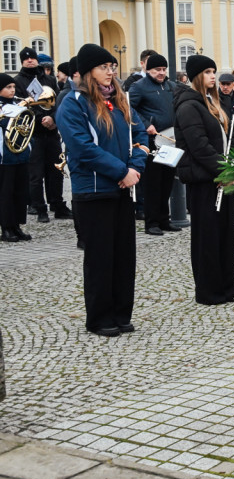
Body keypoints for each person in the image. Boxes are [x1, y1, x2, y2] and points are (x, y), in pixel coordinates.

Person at [55, 43, 147, 337]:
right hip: (93, 191)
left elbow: (140, 134)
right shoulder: (73, 104)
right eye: (103, 67)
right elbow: (83, 149)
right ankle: (99, 317)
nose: (110, 72)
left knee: (123, 256)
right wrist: (122, 171)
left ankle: (121, 313)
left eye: (112, 67)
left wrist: (135, 167)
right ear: (87, 72)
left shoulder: (120, 100)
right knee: (100, 258)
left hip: (122, 188)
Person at [174, 55, 234, 305]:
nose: (213, 76)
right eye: (208, 72)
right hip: (204, 181)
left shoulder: (211, 102)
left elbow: (219, 141)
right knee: (208, 238)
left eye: (214, 71)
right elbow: (199, 146)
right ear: (197, 76)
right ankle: (209, 290)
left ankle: (225, 287)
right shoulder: (189, 105)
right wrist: (223, 171)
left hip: (219, 176)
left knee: (224, 235)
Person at [128, 52, 179, 236]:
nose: (162, 73)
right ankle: (151, 222)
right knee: (153, 184)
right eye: (158, 69)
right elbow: (128, 108)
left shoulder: (170, 86)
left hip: (169, 140)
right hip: (151, 142)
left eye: (164, 69)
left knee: (167, 182)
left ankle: (164, 219)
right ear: (148, 69)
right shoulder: (139, 87)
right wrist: (145, 123)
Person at [16, 47, 67, 222]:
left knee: (56, 171)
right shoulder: (18, 82)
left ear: (37, 60)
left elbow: (59, 102)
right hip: (34, 134)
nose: (30, 61)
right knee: (36, 175)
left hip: (52, 133)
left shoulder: (49, 79)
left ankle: (58, 204)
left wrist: (53, 118)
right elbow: (22, 106)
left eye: (32, 58)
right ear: (22, 61)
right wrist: (41, 119)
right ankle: (40, 209)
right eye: (26, 59)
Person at [0, 74, 32, 242]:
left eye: (13, 87)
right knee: (6, 193)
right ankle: (6, 227)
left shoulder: (16, 105)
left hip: (21, 154)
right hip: (4, 158)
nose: (12, 90)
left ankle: (17, 225)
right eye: (8, 87)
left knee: (20, 192)